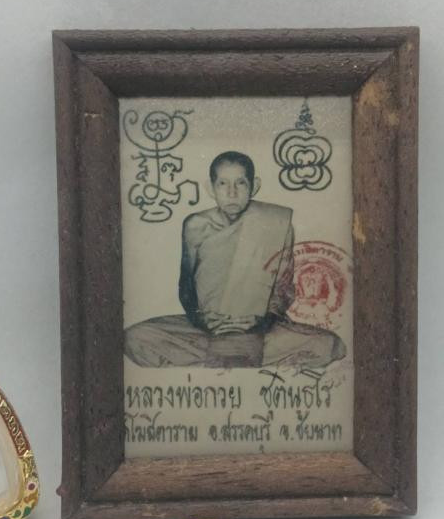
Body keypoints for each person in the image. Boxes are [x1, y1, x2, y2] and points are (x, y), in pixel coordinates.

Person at [124, 151, 346, 369]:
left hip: (260, 328)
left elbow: (283, 288)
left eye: (240, 183)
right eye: (223, 184)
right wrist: (202, 320)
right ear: (211, 188)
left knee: (327, 344)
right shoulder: (195, 226)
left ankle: (216, 360)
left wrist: (261, 322)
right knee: (135, 337)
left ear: (254, 186)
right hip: (208, 329)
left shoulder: (276, 222)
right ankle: (235, 358)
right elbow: (186, 286)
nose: (232, 193)